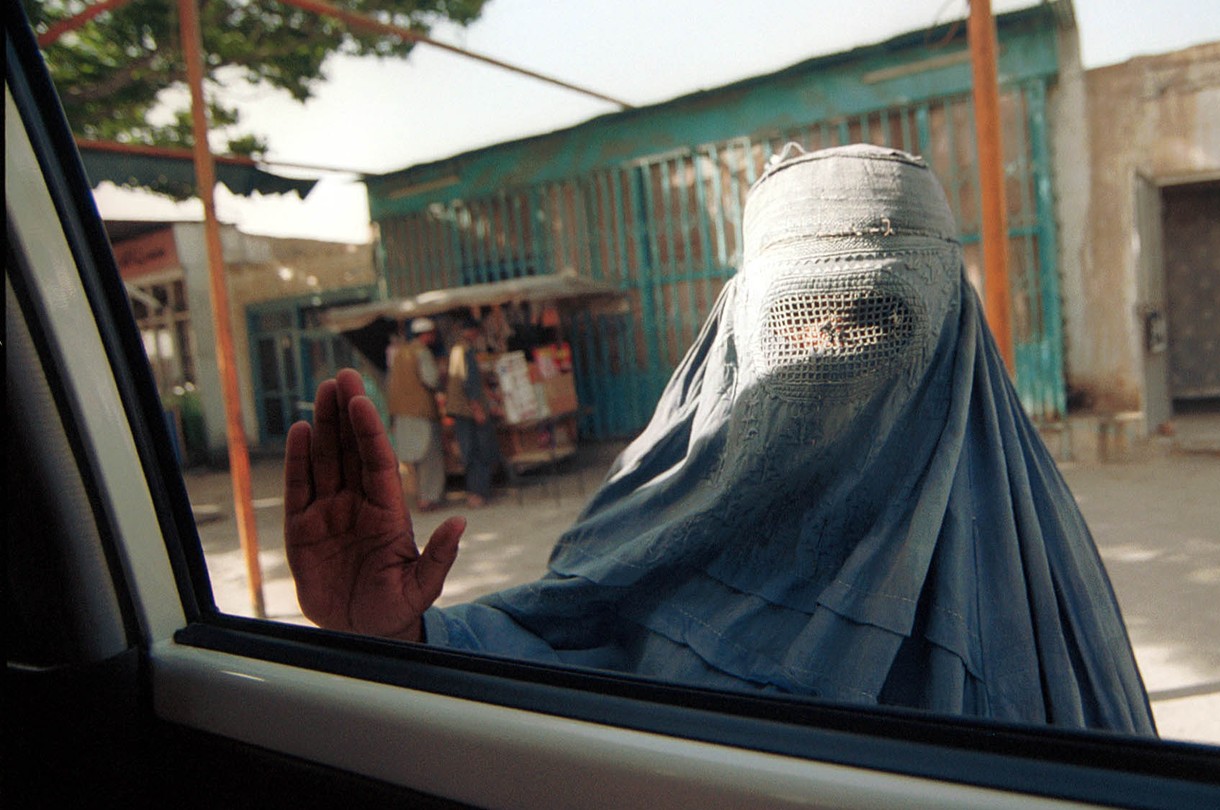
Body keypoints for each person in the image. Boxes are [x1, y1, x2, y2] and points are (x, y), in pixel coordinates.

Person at [284, 144, 1155, 733]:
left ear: (950, 335)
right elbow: (555, 653)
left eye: (880, 319)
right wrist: (395, 640)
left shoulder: (1037, 591)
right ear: (739, 332)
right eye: (800, 322)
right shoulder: (649, 522)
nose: (831, 356)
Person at [386, 316, 445, 512]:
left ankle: (420, 495)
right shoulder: (422, 353)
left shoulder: (400, 353)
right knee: (430, 456)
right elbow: (431, 379)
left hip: (402, 414)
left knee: (415, 459)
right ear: (426, 335)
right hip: (421, 413)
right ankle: (428, 498)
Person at [445, 315, 504, 508]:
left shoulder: (456, 350)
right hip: (469, 410)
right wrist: (478, 408)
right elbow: (469, 383)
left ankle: (475, 492)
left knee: (470, 451)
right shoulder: (466, 351)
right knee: (479, 450)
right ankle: (478, 493)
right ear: (472, 332)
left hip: (461, 410)